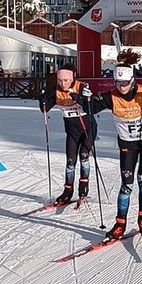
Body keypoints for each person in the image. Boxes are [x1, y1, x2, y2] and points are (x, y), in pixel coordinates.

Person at [87, 59, 142, 240]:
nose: (122, 86)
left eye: (125, 83)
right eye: (118, 83)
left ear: (132, 80)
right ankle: (120, 223)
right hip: (128, 144)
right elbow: (90, 108)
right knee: (126, 185)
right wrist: (85, 96)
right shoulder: (111, 96)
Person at [39, 64, 96, 204]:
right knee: (70, 162)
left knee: (84, 156)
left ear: (72, 78)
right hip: (72, 131)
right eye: (59, 80)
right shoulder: (56, 91)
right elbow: (45, 109)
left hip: (88, 129)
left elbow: (93, 106)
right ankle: (67, 191)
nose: (62, 83)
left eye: (65, 80)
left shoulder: (81, 87)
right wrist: (43, 100)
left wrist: (81, 98)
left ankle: (83, 188)